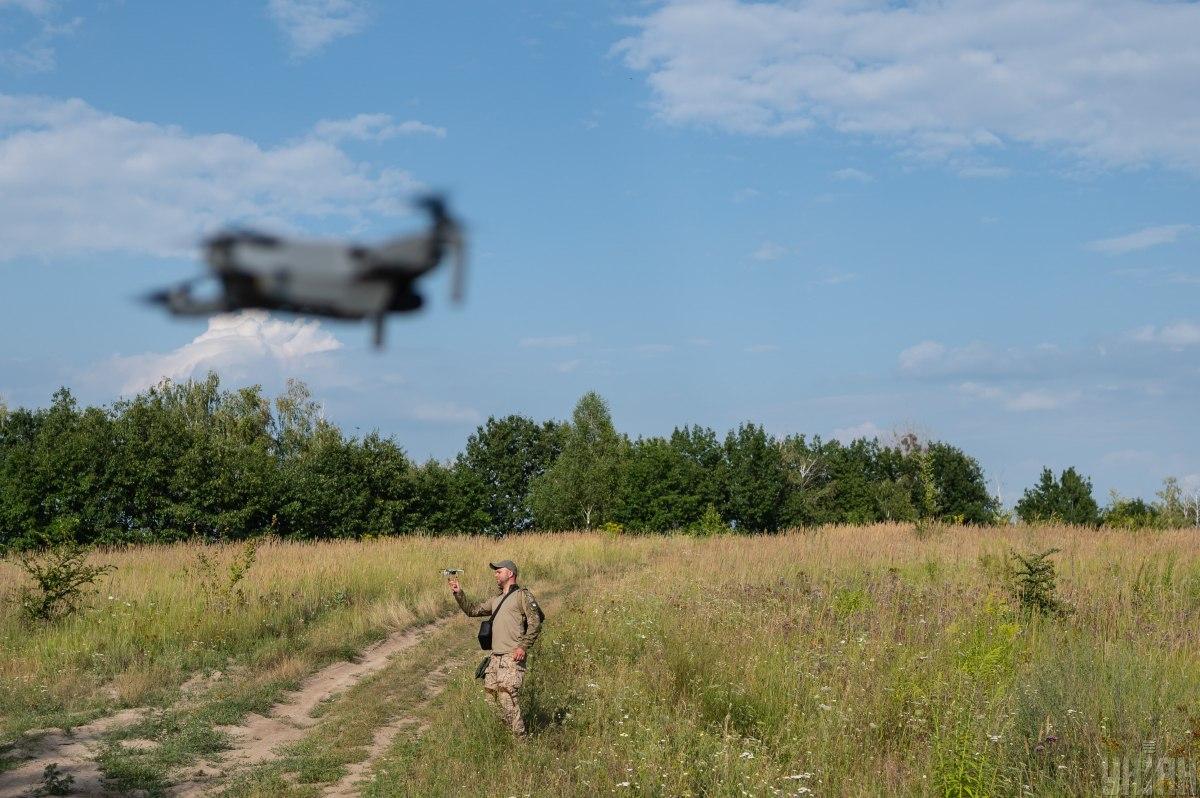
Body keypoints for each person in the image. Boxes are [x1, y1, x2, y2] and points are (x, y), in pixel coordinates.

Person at [447, 560, 543, 737]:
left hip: (512, 656)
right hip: (495, 658)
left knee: (508, 698)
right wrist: (458, 593)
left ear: (510, 574)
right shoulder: (496, 599)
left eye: (499, 572)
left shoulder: (523, 596)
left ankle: (521, 742)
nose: (495, 575)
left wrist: (523, 646)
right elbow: (472, 610)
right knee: (491, 698)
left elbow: (535, 623)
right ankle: (507, 735)